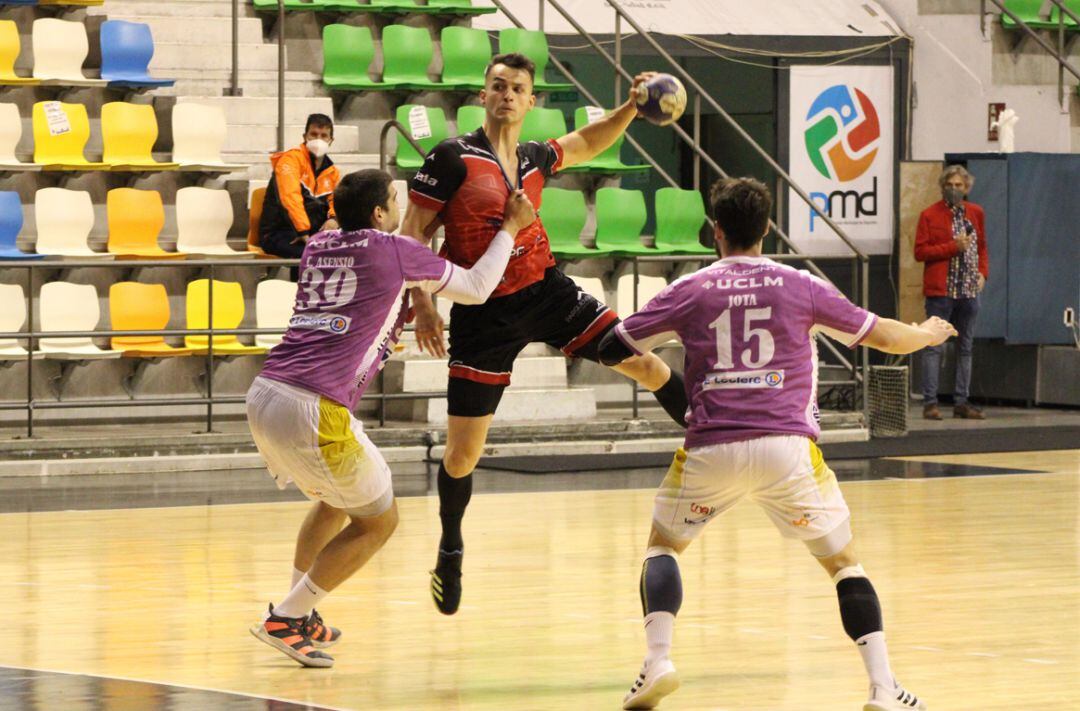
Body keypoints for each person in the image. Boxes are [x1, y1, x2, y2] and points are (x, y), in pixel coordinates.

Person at [600, 177, 955, 710]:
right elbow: (883, 336)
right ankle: (884, 687)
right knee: (843, 564)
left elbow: (613, 344)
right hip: (787, 448)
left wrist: (664, 376)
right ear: (765, 229)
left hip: (711, 445)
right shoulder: (800, 284)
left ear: (715, 232)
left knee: (663, 545)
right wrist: (927, 333)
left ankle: (658, 661)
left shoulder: (689, 289)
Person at [400, 53, 690, 616]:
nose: (507, 94)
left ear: (532, 102)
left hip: (548, 293)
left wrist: (631, 107)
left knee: (642, 359)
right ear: (483, 94)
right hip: (483, 314)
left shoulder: (534, 158)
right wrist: (424, 304)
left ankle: (718, 436)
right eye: (498, 85)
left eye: (518, 89)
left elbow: (586, 143)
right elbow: (413, 235)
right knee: (462, 456)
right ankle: (450, 546)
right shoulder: (452, 158)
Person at [245, 169, 536, 667]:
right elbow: (476, 287)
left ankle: (301, 610)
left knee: (333, 502)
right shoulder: (393, 248)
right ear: (380, 213)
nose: (401, 209)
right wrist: (509, 227)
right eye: (395, 201)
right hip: (315, 407)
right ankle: (288, 618)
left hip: (266, 393)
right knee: (380, 521)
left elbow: (384, 281)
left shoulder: (320, 243)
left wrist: (419, 298)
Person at [914, 164, 988, 420]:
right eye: (950, 185)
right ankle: (930, 402)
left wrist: (983, 273)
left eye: (959, 185)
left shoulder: (976, 212)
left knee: (965, 347)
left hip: (968, 289)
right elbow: (920, 252)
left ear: (966, 188)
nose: (954, 189)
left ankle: (961, 401)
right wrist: (952, 247)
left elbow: (982, 248)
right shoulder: (929, 215)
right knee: (934, 347)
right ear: (943, 187)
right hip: (941, 290)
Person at [259, 113, 342, 259]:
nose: (318, 140)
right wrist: (303, 231)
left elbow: (335, 201)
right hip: (279, 232)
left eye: (324, 136)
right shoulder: (290, 160)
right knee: (312, 254)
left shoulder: (332, 172)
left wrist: (334, 220)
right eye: (314, 134)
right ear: (305, 136)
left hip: (312, 234)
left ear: (331, 140)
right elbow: (290, 197)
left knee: (344, 252)